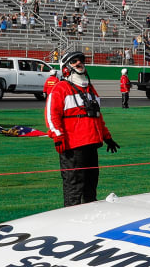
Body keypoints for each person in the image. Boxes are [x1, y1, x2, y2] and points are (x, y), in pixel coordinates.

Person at [45, 50, 119, 206]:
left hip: (91, 144)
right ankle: (70, 220)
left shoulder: (91, 89)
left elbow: (98, 117)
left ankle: (89, 218)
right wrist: (58, 137)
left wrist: (107, 137)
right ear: (66, 67)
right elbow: (52, 116)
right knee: (74, 186)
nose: (79, 63)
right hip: (73, 146)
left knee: (91, 185)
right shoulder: (60, 88)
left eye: (81, 61)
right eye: (74, 62)